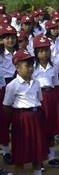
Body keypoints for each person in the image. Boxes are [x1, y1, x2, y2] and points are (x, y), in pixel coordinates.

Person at [3, 49, 52, 175]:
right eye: (26, 65)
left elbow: (39, 100)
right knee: (21, 152)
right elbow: (7, 106)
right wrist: (15, 121)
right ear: (17, 67)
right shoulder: (12, 85)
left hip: (36, 116)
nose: (30, 68)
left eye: (31, 65)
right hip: (21, 119)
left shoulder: (36, 83)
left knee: (37, 150)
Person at [31, 35, 59, 168]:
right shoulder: (33, 68)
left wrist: (57, 100)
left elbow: (56, 83)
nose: (44, 53)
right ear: (35, 52)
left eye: (46, 50)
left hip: (51, 97)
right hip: (38, 98)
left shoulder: (53, 67)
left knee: (51, 128)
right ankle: (38, 159)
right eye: (40, 51)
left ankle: (52, 157)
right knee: (39, 129)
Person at [0, 24, 18, 165]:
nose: (10, 41)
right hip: (4, 85)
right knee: (4, 120)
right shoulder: (0, 54)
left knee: (17, 118)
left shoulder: (20, 53)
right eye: (7, 38)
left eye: (12, 37)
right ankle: (6, 150)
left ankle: (19, 149)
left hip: (18, 85)